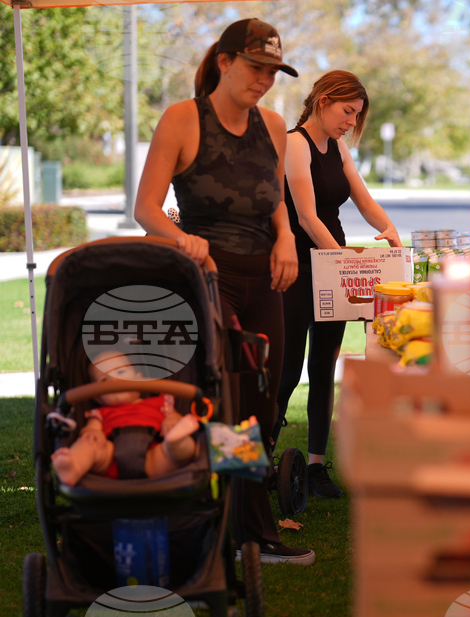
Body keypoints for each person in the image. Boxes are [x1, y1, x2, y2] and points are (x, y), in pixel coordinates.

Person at [134, 18, 314, 565]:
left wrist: (286, 238)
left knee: (264, 402)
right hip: (208, 279)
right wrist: (183, 238)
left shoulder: (276, 124)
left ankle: (245, 527)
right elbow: (144, 209)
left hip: (266, 277)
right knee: (228, 405)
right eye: (256, 68)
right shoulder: (183, 119)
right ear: (225, 61)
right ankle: (240, 532)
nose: (265, 80)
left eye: (273, 72)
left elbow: (276, 198)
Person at [271, 70, 401, 498]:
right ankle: (261, 458)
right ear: (323, 100)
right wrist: (342, 262)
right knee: (287, 370)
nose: (350, 122)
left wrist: (389, 230)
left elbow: (363, 198)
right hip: (298, 268)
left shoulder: (338, 146)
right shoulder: (294, 143)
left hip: (334, 266)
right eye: (347, 112)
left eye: (356, 115)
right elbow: (306, 215)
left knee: (325, 367)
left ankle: (314, 466)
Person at [51, 352, 200, 487]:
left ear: (140, 379)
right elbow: (92, 427)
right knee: (89, 444)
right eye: (104, 380)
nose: (114, 380)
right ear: (98, 396)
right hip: (110, 457)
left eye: (121, 371)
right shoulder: (100, 412)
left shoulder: (160, 402)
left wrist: (172, 421)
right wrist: (92, 433)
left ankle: (175, 441)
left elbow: (173, 416)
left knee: (181, 448)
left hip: (153, 454)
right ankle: (73, 468)